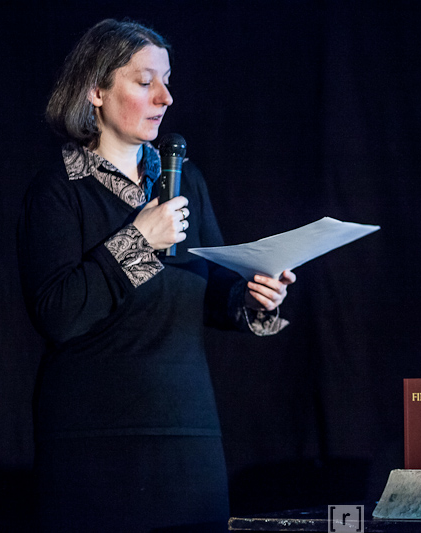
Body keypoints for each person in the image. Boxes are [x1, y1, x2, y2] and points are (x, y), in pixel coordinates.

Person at [17, 18, 295, 532]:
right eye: (145, 82)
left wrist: (252, 296)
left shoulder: (185, 180)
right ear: (96, 91)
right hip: (92, 438)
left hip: (186, 431)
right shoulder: (57, 189)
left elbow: (207, 290)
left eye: (166, 82)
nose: (165, 98)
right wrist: (138, 242)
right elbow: (59, 314)